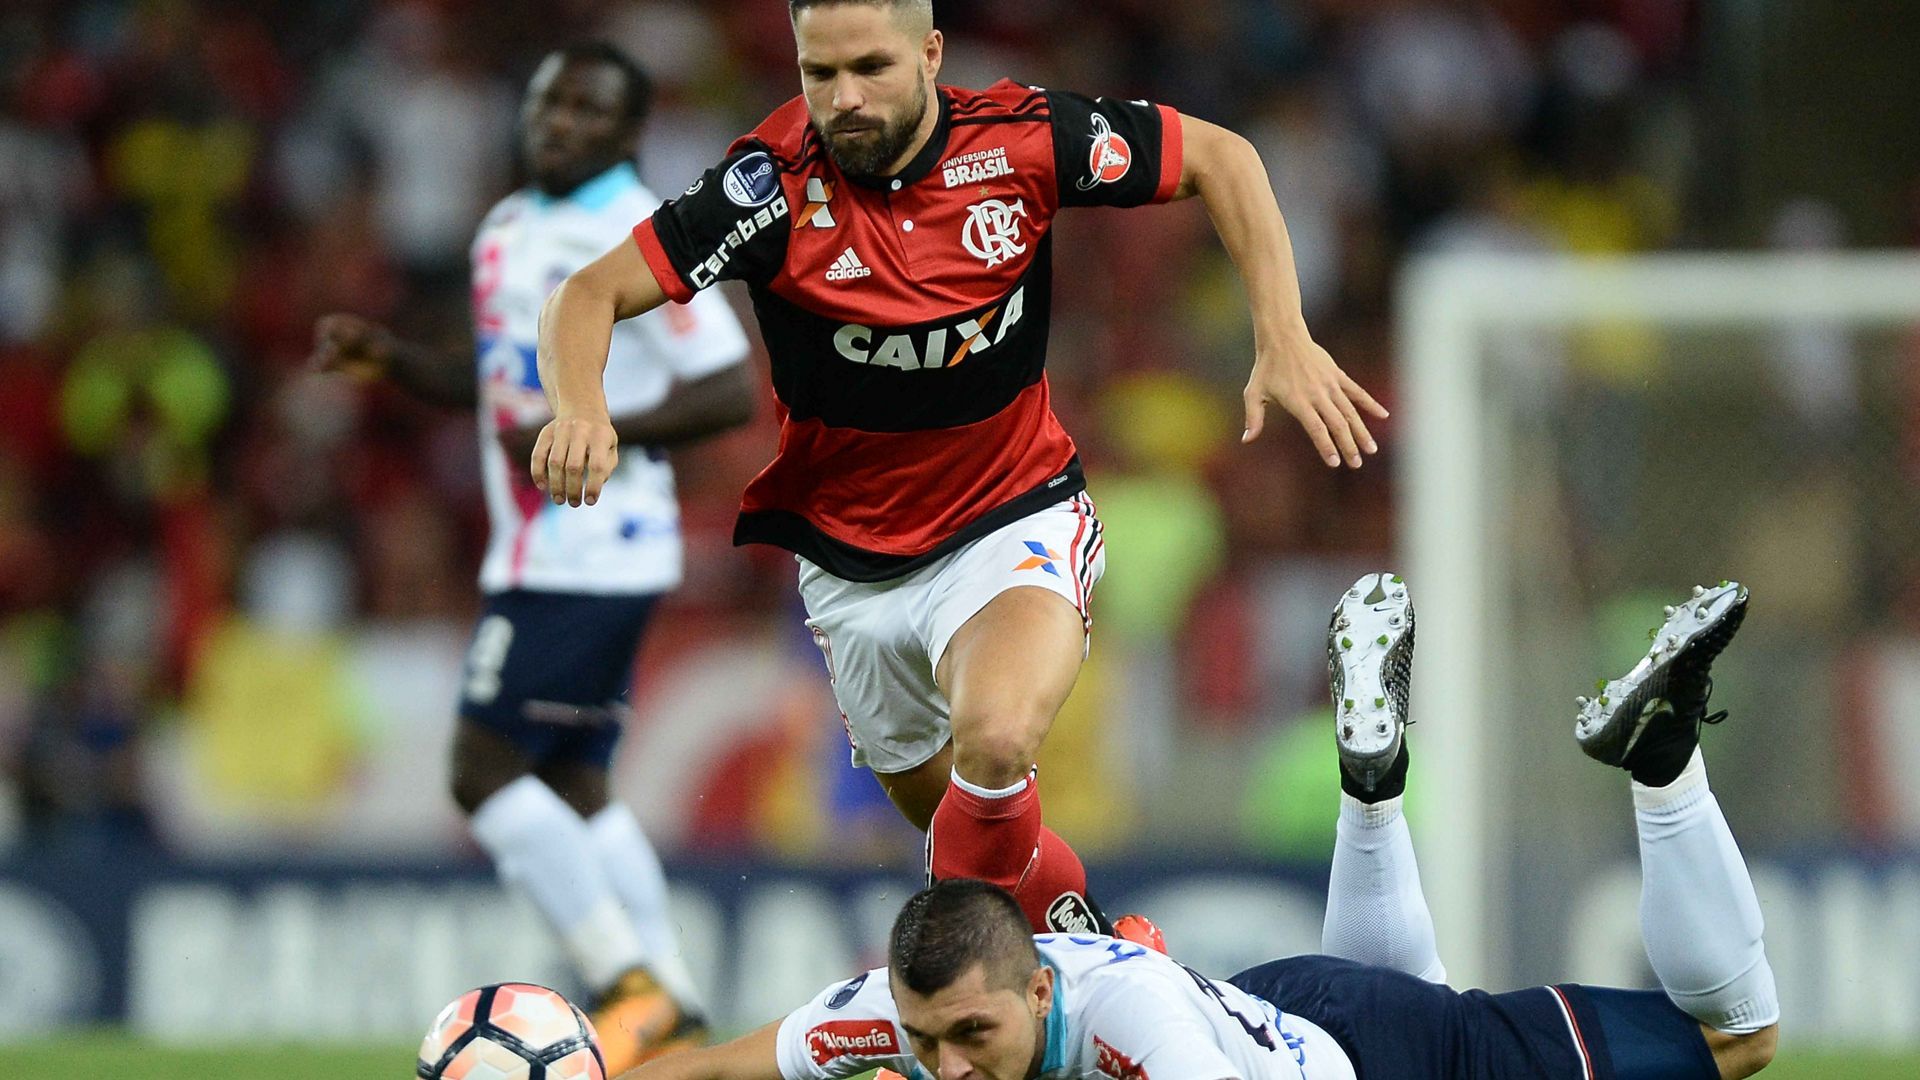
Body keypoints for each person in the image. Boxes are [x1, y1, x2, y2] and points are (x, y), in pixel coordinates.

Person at [530, 0, 1388, 937]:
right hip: (852, 570)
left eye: (871, 68)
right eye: (820, 75)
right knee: (969, 847)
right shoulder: (767, 189)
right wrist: (581, 406)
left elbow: (1223, 156)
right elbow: (589, 293)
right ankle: (1094, 957)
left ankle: (997, 999)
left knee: (997, 739)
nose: (843, 99)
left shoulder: (1021, 141)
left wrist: (1283, 332)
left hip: (1011, 513)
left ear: (931, 53)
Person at [610, 577, 1780, 1080]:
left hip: (1362, 1053)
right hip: (1290, 1011)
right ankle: (1369, 789)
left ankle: (1661, 761)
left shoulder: (1132, 1021)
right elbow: (717, 1065)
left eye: (970, 1035)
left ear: (1037, 996)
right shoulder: (912, 1008)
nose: (949, 1067)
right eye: (927, 1047)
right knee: (1393, 989)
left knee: (1739, 1043)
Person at [310, 43, 755, 1072]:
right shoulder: (508, 226)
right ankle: (675, 1002)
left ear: (628, 132)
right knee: (571, 783)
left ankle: (626, 983)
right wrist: (399, 363)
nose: (559, 123)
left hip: (594, 543)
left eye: (589, 110)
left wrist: (595, 427)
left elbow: (727, 391)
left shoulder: (637, 235)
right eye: (550, 102)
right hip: (536, 543)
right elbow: (503, 380)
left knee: (480, 770)